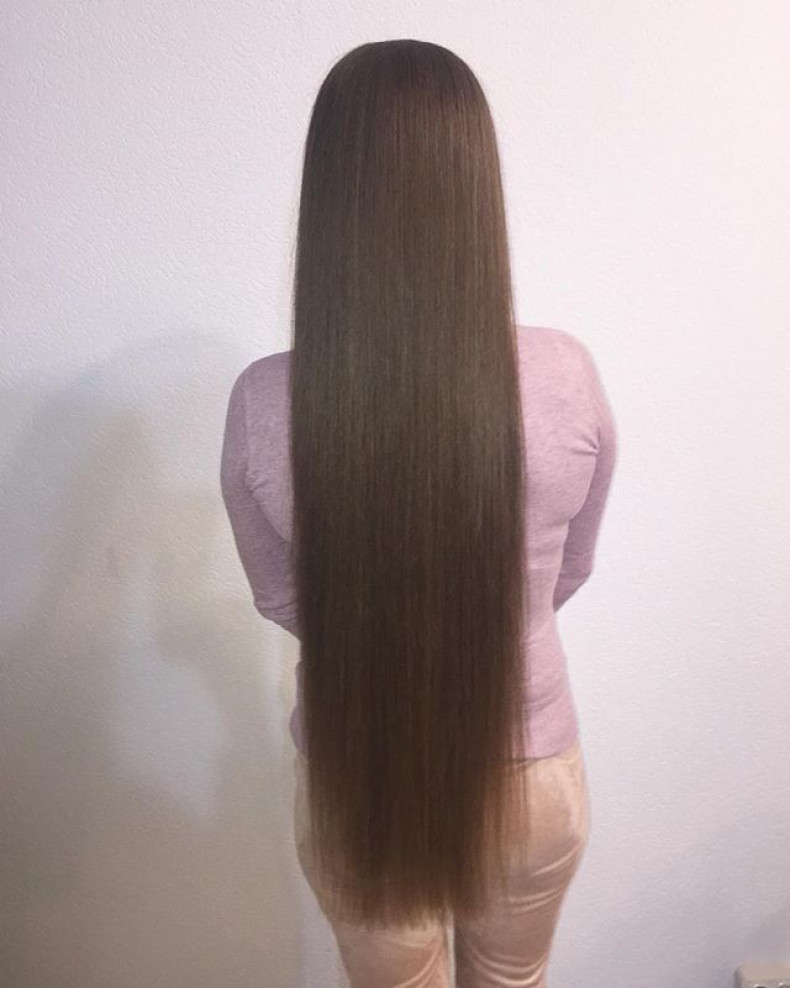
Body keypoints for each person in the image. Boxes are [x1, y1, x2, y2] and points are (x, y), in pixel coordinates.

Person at [220, 39, 617, 988]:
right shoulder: (565, 372)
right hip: (530, 772)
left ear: (330, 193)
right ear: (477, 187)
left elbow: (284, 600)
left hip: (358, 772)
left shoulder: (264, 401)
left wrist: (387, 628)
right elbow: (570, 569)